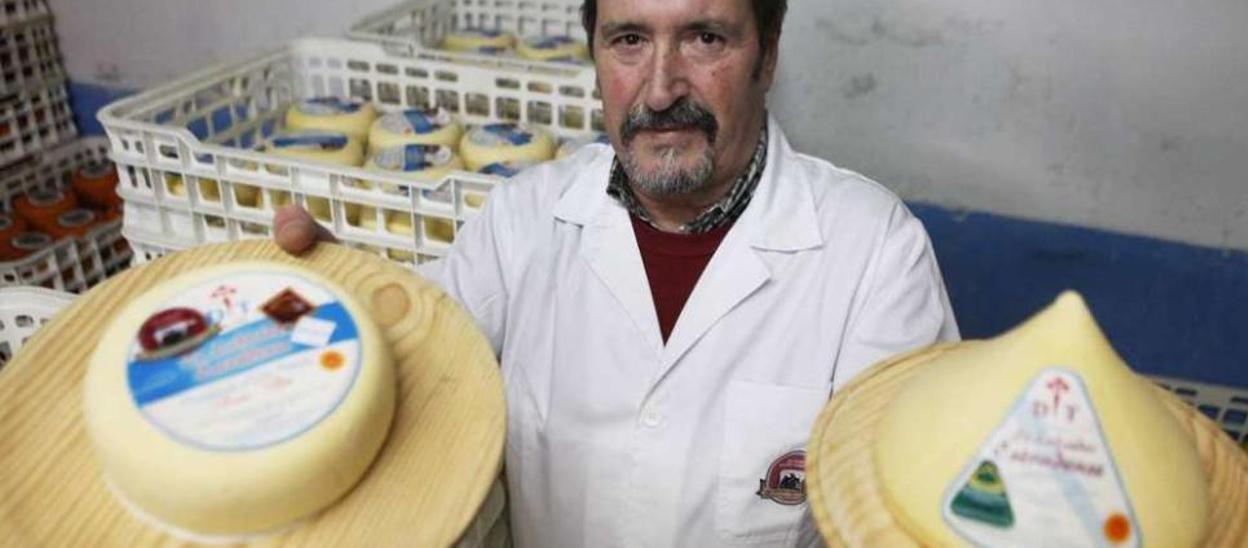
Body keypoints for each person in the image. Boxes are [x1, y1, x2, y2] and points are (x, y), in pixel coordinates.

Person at [275, 0, 958, 545]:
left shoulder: (874, 255)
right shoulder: (524, 221)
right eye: (628, 40)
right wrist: (335, 298)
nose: (660, 90)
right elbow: (405, 359)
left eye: (705, 39)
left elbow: (909, 514)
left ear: (768, 54)